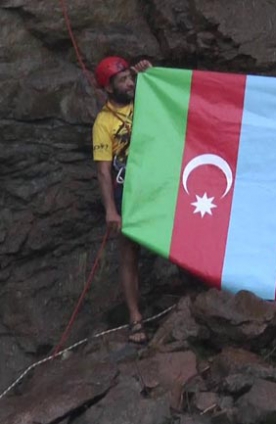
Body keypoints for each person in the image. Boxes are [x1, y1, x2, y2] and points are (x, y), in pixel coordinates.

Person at [92, 56, 152, 342]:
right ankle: (135, 318)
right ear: (108, 88)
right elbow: (103, 171)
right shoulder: (103, 123)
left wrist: (151, 76)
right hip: (125, 191)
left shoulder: (145, 99)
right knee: (129, 255)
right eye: (123, 80)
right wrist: (110, 211)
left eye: (130, 78)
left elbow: (171, 103)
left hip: (156, 184)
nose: (129, 84)